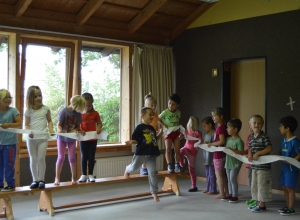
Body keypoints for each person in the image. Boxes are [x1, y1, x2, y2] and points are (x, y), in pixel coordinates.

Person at [124, 107, 160, 202]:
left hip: (151, 153)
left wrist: (160, 134)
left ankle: (154, 193)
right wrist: (132, 141)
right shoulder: (139, 127)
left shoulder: (152, 128)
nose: (152, 116)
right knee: (133, 167)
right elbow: (136, 140)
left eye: (153, 115)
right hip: (141, 153)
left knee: (152, 173)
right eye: (150, 115)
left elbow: (154, 140)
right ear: (143, 116)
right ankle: (127, 169)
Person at [25, 86, 54, 189]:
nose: (38, 98)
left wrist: (51, 130)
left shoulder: (45, 109)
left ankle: (41, 179)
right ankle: (35, 180)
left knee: (41, 158)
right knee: (33, 159)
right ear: (30, 98)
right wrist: (29, 132)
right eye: (35, 96)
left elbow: (49, 121)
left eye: (40, 95)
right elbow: (27, 124)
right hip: (32, 139)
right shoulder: (28, 110)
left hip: (42, 138)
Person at [54, 95, 86, 185]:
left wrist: (81, 131)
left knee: (72, 158)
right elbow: (59, 124)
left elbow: (78, 127)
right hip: (62, 138)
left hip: (72, 139)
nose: (78, 110)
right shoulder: (64, 111)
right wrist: (60, 130)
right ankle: (57, 178)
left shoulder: (78, 114)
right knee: (61, 157)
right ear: (74, 104)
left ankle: (74, 178)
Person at [247, 114, 272, 213]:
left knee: (262, 185)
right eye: (254, 123)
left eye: (259, 123)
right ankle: (257, 203)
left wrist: (258, 153)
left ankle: (262, 205)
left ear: (262, 125)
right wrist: (250, 154)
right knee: (255, 185)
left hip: (264, 167)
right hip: (254, 166)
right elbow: (250, 148)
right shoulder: (251, 137)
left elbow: (269, 148)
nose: (256, 124)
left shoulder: (264, 136)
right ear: (250, 125)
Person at [277, 116, 300, 216]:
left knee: (290, 187)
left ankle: (291, 208)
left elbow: (299, 154)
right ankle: (287, 206)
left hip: (292, 169)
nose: (279, 128)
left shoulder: (295, 141)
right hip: (284, 168)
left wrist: (293, 161)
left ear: (287, 128)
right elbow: (280, 152)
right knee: (284, 186)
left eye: (281, 126)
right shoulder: (283, 141)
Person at [0, 89, 22, 191]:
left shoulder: (13, 111)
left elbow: (19, 124)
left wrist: (8, 125)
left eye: (10, 97)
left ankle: (10, 184)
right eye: (6, 98)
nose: (8, 99)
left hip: (10, 143)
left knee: (9, 164)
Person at [78, 93, 102, 183]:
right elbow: (77, 126)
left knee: (91, 156)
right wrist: (80, 130)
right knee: (84, 156)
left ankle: (91, 174)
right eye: (86, 105)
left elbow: (99, 123)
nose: (88, 107)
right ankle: (84, 174)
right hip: (83, 139)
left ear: (92, 103)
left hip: (93, 139)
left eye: (89, 105)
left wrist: (99, 128)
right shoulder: (80, 114)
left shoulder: (95, 113)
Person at [207, 107, 229, 200]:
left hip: (218, 154)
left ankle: (222, 193)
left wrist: (211, 144)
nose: (213, 118)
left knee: (218, 174)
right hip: (223, 154)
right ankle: (227, 193)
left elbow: (221, 141)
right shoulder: (223, 127)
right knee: (223, 174)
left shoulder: (220, 128)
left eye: (214, 116)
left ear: (221, 117)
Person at [158, 93, 183, 173]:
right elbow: (158, 118)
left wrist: (181, 131)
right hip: (168, 133)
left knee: (177, 150)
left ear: (177, 105)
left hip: (176, 132)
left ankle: (177, 165)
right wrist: (163, 124)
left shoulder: (178, 112)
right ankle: (169, 165)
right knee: (168, 149)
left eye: (173, 104)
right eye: (169, 103)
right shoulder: (165, 112)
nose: (170, 105)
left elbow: (179, 121)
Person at [140, 93, 161, 175]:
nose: (154, 107)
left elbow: (156, 123)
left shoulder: (155, 115)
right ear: (146, 106)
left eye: (155, 105)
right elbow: (144, 126)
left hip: (153, 135)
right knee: (145, 152)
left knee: (152, 153)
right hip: (146, 135)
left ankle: (151, 168)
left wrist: (159, 129)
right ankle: (143, 167)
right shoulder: (145, 115)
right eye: (152, 105)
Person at [179, 116, 202, 192]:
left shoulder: (198, 133)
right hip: (186, 149)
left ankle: (194, 186)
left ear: (197, 126)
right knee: (181, 151)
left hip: (193, 153)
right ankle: (181, 163)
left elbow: (200, 142)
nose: (191, 129)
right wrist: (180, 137)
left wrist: (199, 145)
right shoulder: (186, 131)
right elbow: (180, 137)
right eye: (190, 127)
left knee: (191, 170)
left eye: (193, 127)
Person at [224, 118, 244, 202]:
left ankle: (235, 196)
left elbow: (241, 152)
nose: (227, 129)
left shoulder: (239, 141)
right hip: (228, 162)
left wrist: (231, 150)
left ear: (235, 129)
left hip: (235, 163)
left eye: (229, 128)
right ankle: (230, 194)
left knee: (232, 178)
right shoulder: (228, 139)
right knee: (229, 179)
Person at [201, 116, 217, 195]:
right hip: (206, 157)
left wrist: (208, 144)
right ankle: (208, 188)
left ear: (210, 125)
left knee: (211, 174)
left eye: (205, 126)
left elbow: (214, 145)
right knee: (207, 174)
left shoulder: (214, 133)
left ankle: (213, 189)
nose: (204, 128)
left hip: (212, 157)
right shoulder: (206, 135)